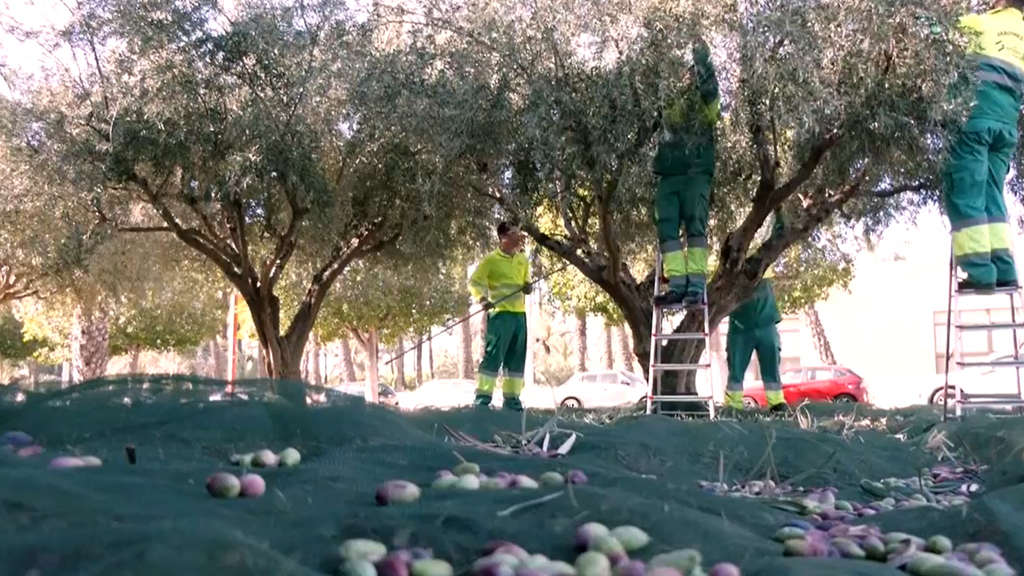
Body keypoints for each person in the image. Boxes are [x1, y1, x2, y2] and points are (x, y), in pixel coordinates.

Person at [944, 0, 1024, 293]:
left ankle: (978, 272)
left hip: (976, 121)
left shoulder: (983, 23)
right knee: (991, 193)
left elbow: (936, 29)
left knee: (965, 191)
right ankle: (1004, 270)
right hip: (1005, 128)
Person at [653, 35, 721, 308]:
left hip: (696, 174)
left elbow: (710, 86)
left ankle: (695, 288)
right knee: (666, 229)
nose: (687, 79)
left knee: (695, 228)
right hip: (668, 176)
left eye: (692, 74)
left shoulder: (707, 103)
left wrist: (698, 47)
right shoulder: (670, 104)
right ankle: (677, 287)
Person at [723, 210, 787, 414]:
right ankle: (733, 407)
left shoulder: (760, 265)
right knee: (736, 372)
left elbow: (778, 237)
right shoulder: (729, 272)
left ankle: (777, 404)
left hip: (766, 325)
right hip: (740, 328)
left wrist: (778, 212)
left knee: (771, 368)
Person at [468, 222, 531, 411]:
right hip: (500, 315)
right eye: (514, 233)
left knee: (516, 359)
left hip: (519, 315)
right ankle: (482, 402)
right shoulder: (491, 260)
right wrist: (482, 299)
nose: (518, 236)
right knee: (494, 358)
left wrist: (528, 287)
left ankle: (512, 402)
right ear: (503, 237)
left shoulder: (523, 259)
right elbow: (474, 282)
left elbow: (526, 281)